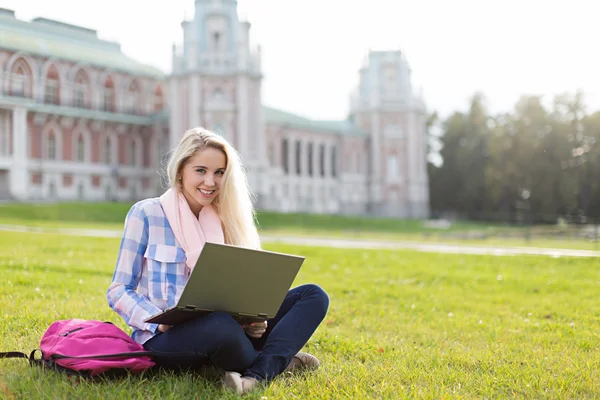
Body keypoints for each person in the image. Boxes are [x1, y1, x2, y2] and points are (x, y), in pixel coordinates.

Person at [106, 127, 330, 394]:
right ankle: (277, 363)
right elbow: (118, 290)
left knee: (313, 295)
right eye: (200, 170)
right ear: (181, 171)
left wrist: (255, 320)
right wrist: (157, 320)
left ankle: (253, 377)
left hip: (228, 328)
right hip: (165, 338)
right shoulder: (146, 214)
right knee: (220, 326)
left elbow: (238, 294)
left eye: (219, 173)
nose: (210, 182)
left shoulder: (227, 219)